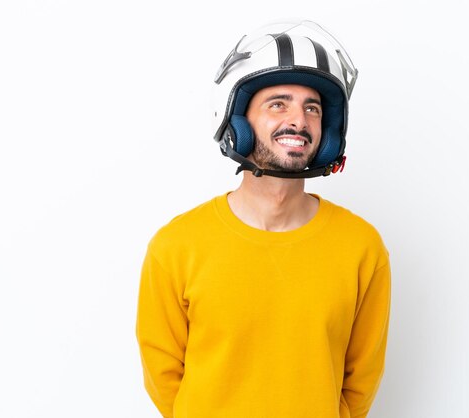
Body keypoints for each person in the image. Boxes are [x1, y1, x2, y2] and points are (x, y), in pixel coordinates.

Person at [136, 19, 391, 418]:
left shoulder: (362, 247)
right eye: (278, 104)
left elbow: (361, 379)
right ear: (238, 121)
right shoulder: (176, 245)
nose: (299, 120)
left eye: (313, 108)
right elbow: (163, 375)